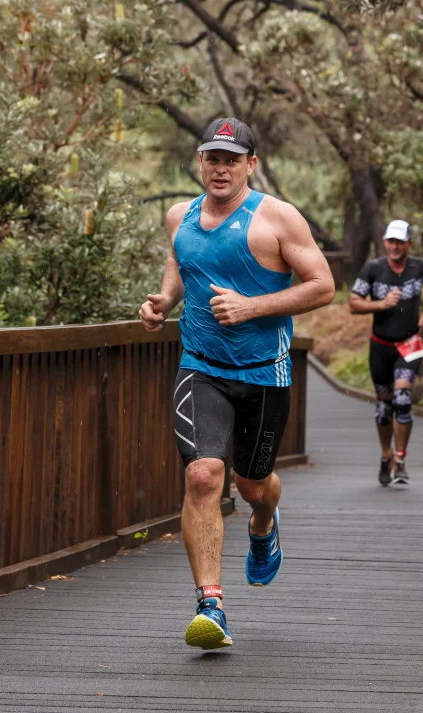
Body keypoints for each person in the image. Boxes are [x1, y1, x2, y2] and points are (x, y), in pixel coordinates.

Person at [138, 117, 334, 650]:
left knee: (253, 486)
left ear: (251, 164)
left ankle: (264, 521)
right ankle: (211, 605)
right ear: (200, 162)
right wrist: (163, 301)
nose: (220, 169)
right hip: (200, 366)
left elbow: (323, 286)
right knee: (203, 475)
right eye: (212, 158)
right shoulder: (180, 216)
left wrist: (251, 307)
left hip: (264, 373)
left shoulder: (278, 218)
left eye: (232, 159)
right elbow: (180, 261)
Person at [347, 220, 423, 486]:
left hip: (409, 344)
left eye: (400, 242)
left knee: (402, 399)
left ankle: (400, 459)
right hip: (380, 346)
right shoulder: (373, 268)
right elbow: (353, 304)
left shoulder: (422, 267)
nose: (395, 247)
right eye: (391, 241)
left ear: (409, 243)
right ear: (384, 242)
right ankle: (385, 455)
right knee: (383, 408)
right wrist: (381, 304)